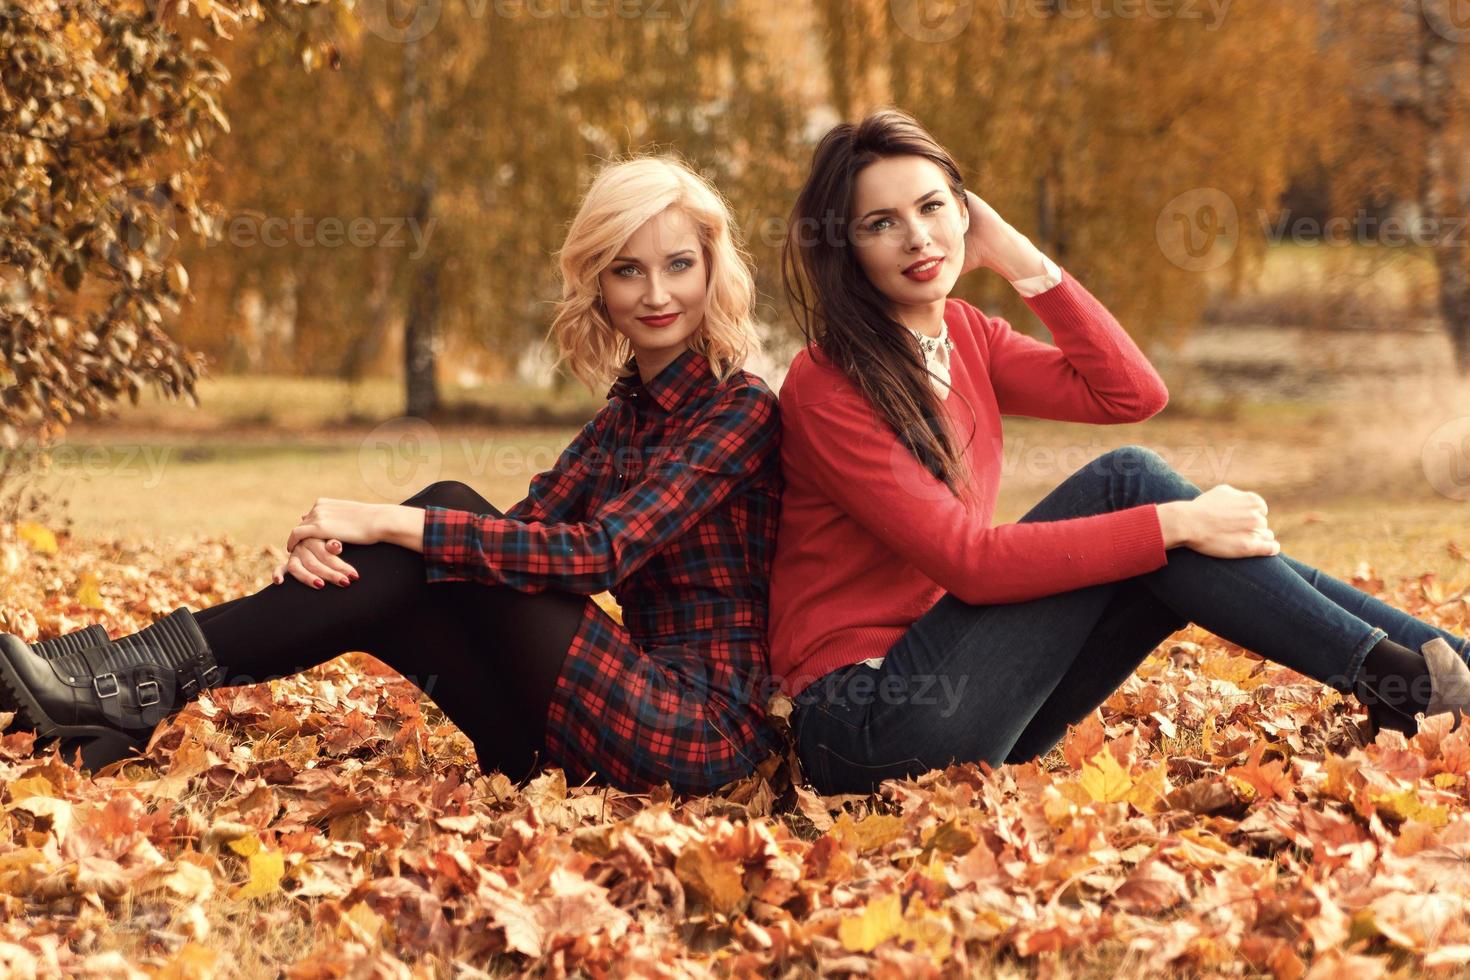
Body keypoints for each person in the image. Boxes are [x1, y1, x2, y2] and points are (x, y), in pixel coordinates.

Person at [0, 154, 787, 796]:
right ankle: (122, 685)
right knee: (409, 571)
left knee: (434, 517)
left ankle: (123, 684)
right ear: (599, 285)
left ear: (713, 269)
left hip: (696, 736)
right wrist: (355, 551)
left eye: (679, 265)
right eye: (628, 270)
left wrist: (376, 521)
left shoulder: (738, 408)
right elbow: (513, 540)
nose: (656, 294)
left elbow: (599, 555)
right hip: (593, 728)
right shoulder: (627, 416)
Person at [769, 107, 1470, 797]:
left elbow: (1128, 392)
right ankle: (1406, 681)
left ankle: (1428, 676)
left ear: (965, 212)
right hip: (864, 725)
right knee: (1132, 486)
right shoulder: (829, 383)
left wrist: (1019, 257)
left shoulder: (963, 336)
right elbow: (972, 566)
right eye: (881, 224)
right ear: (847, 248)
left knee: (1156, 536)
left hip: (978, 695)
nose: (918, 237)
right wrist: (1178, 523)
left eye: (932, 207)